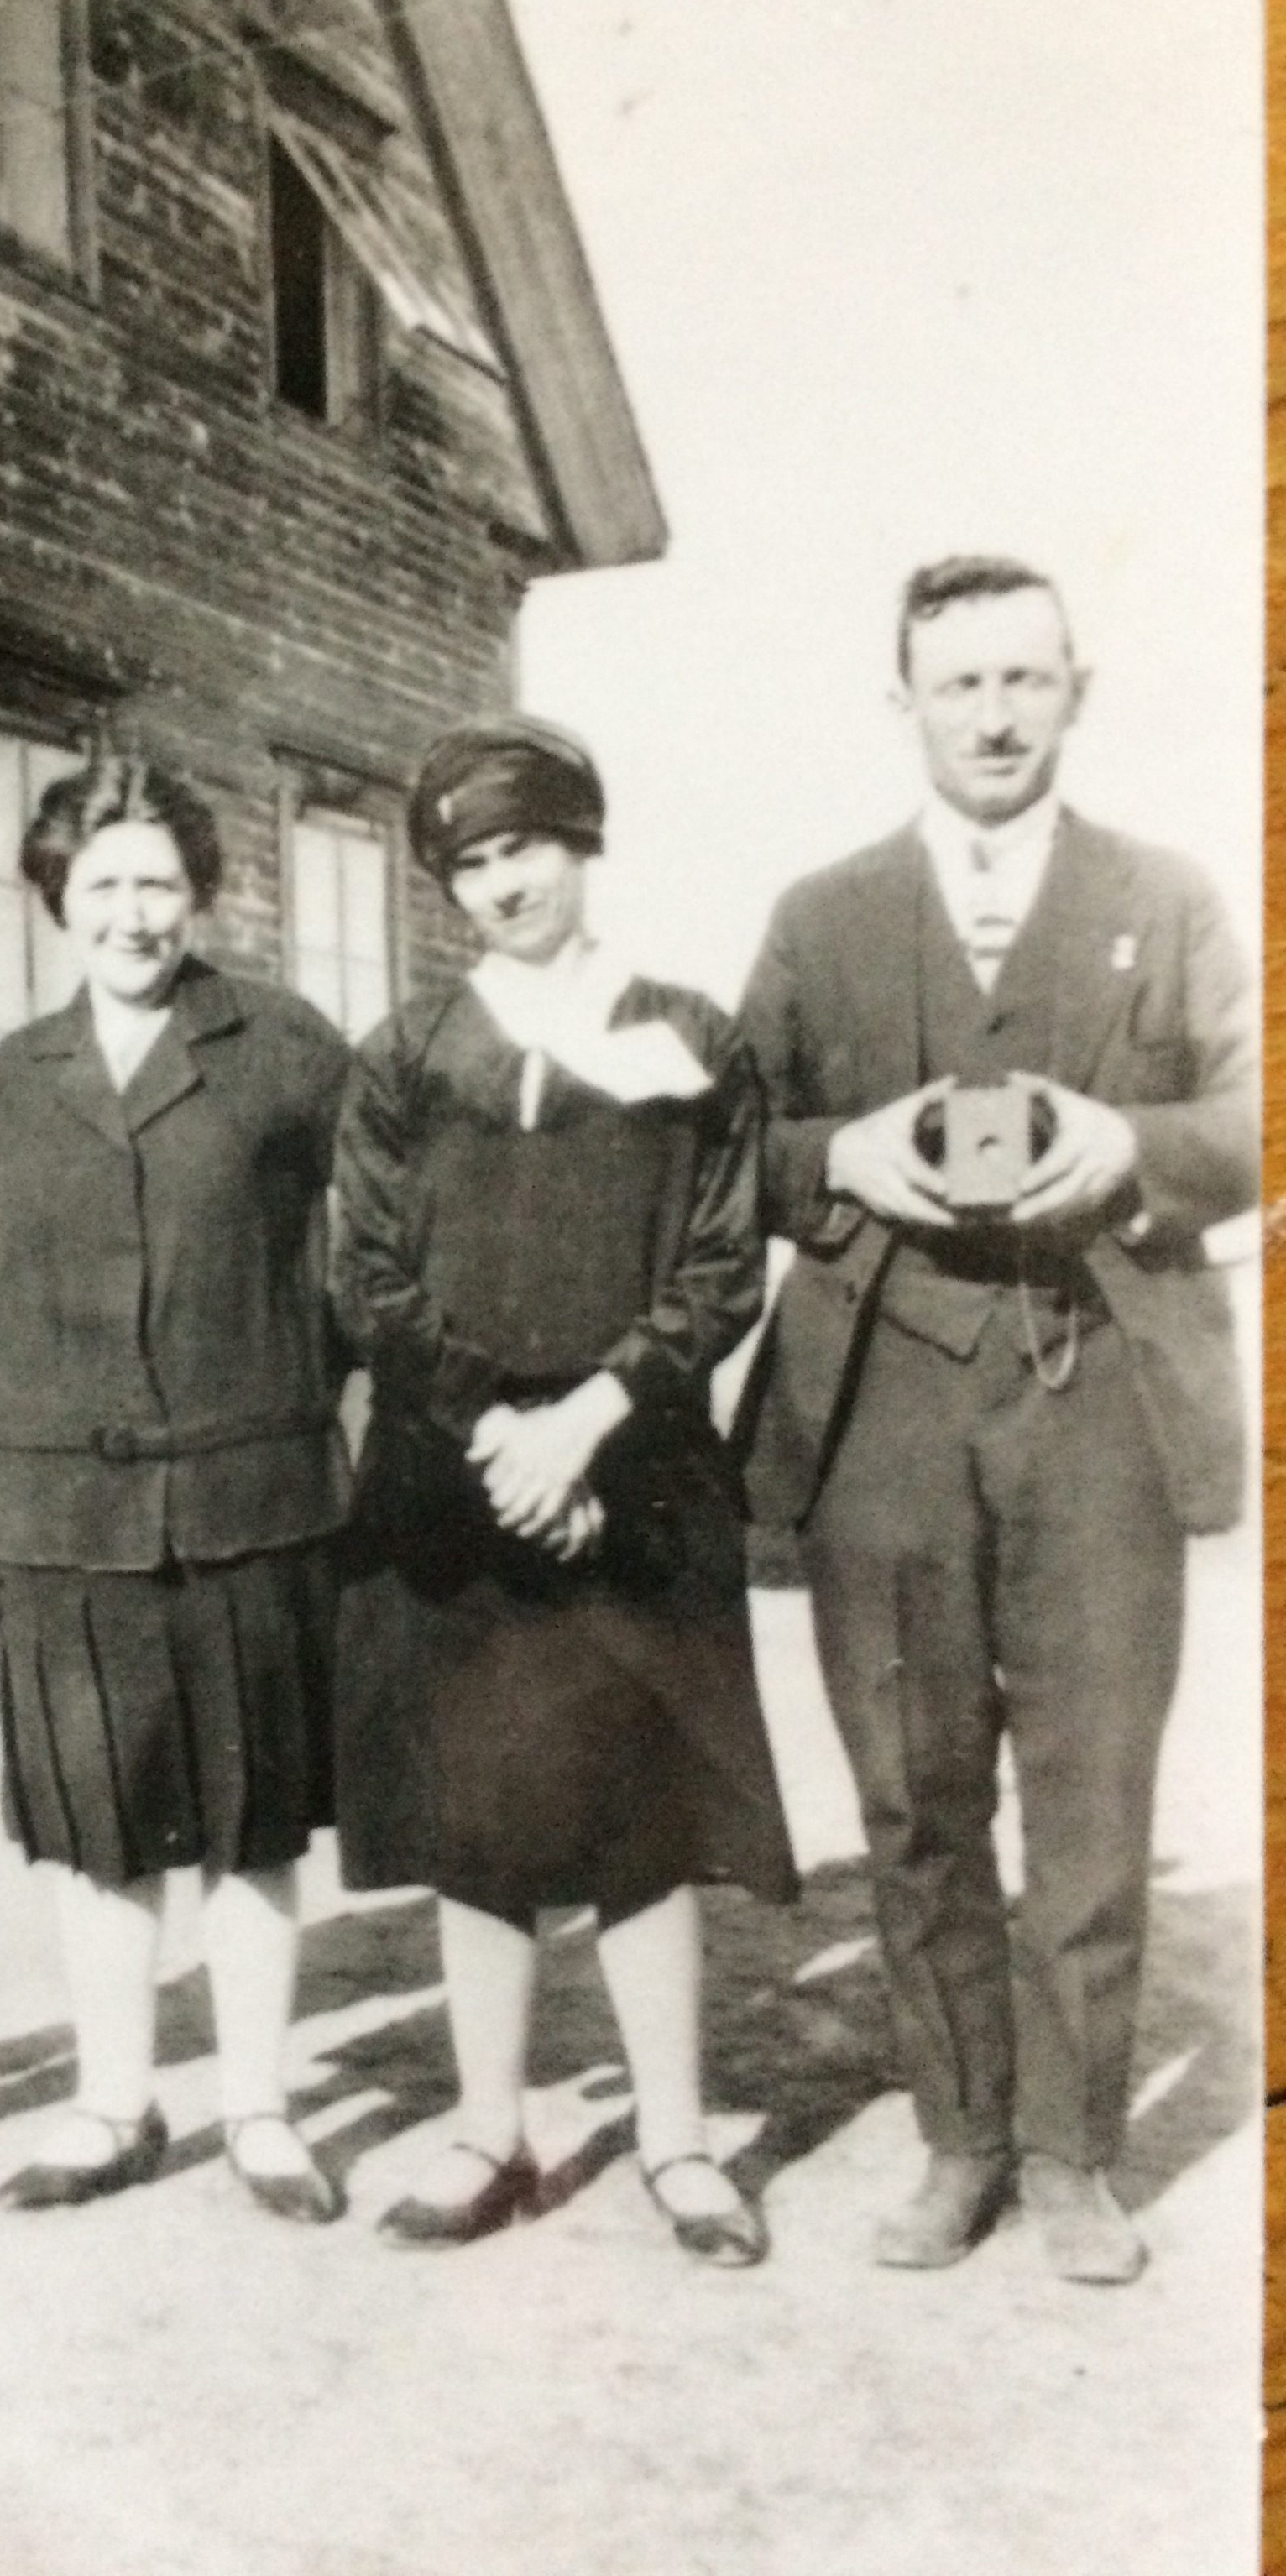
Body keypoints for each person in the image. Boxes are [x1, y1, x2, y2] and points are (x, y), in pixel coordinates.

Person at [737, 556, 1257, 2284]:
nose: (994, 716)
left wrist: (1142, 1147)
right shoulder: (822, 916)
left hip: (1099, 1375)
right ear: (905, 705)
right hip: (881, 1385)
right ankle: (958, 2139)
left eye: (1025, 680)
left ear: (1078, 690)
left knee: (1093, 1788)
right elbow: (723, 1142)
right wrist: (838, 1160)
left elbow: (1259, 1106)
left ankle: (1070, 2157)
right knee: (913, 1788)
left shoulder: (1163, 896)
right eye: (958, 686)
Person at [332, 713, 797, 2256]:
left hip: (637, 1470)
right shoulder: (407, 1054)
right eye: (464, 863)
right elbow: (372, 1276)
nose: (497, 884)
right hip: (463, 1481)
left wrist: (589, 1416)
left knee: (640, 1803)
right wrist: (501, 1436)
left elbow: (724, 1260)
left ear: (580, 841)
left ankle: (672, 2140)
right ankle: (488, 2132)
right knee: (482, 1808)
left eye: (520, 846)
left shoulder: (689, 1035)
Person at [0, 751, 351, 2224]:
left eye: (157, 879)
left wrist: (311, 1411)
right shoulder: (11, 1079)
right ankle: (113, 2105)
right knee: (94, 1821)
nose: (132, 910)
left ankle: (261, 2107)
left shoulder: (285, 1048)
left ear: (198, 891)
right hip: (60, 1517)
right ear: (56, 898)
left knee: (250, 1819)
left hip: (251, 1501)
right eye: (101, 882)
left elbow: (351, 1265)